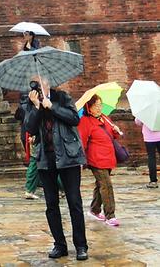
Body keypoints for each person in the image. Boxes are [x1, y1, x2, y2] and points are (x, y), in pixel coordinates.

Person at [24, 78, 88, 261]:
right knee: (51, 205)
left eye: (39, 82)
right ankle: (59, 244)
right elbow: (30, 128)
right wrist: (36, 107)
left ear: (47, 82)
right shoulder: (31, 102)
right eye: (33, 83)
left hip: (68, 157)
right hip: (46, 158)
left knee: (74, 202)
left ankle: (81, 245)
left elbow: (74, 119)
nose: (36, 86)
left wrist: (51, 106)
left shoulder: (62, 97)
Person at [78, 93, 122, 226]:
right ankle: (110, 215)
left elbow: (112, 136)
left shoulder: (105, 118)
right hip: (96, 159)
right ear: (89, 107)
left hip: (108, 157)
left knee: (100, 184)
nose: (99, 108)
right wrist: (81, 160)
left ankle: (94, 210)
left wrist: (115, 130)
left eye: (100, 105)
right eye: (95, 105)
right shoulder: (85, 121)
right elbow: (82, 141)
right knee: (107, 185)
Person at [135, 117, 160, 188]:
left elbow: (138, 122)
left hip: (149, 137)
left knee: (151, 158)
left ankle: (153, 181)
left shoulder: (145, 111)